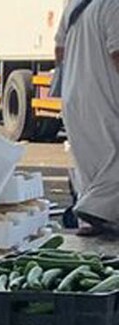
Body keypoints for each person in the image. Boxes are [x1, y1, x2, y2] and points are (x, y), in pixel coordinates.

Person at [59, 0, 119, 233]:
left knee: (89, 161)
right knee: (112, 155)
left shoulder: (75, 5)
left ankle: (91, 220)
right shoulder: (113, 5)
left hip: (74, 94)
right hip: (104, 95)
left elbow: (58, 50)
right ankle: (92, 208)